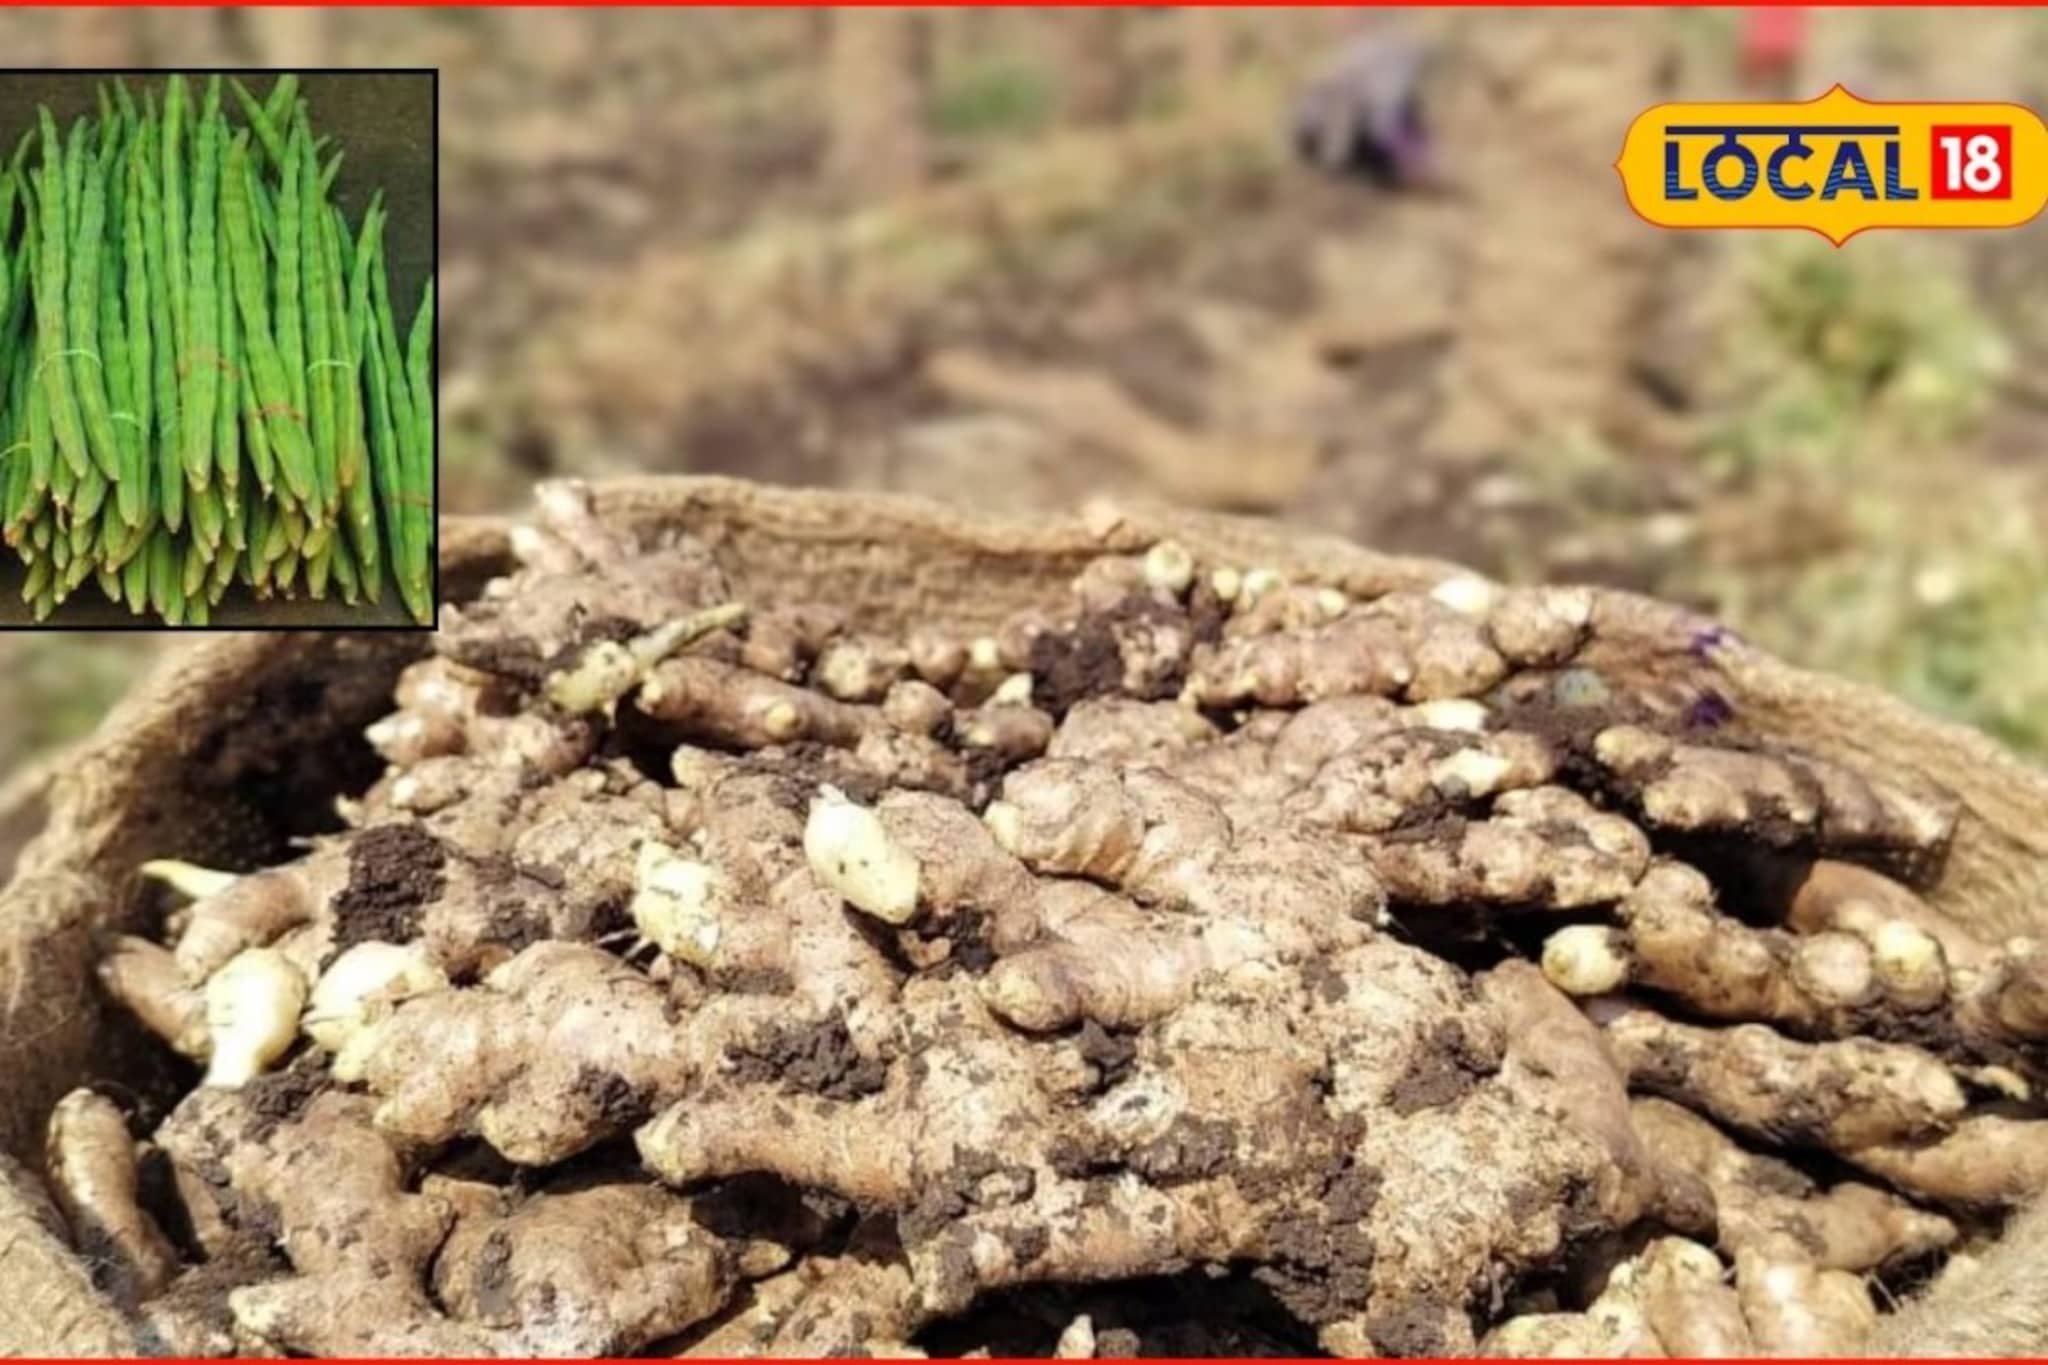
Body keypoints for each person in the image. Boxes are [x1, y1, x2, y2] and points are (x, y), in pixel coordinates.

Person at [1291, 31, 1436, 190]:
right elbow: (1377, 123)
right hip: (1334, 136)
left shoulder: (1376, 66)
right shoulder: (1383, 79)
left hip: (1336, 132)